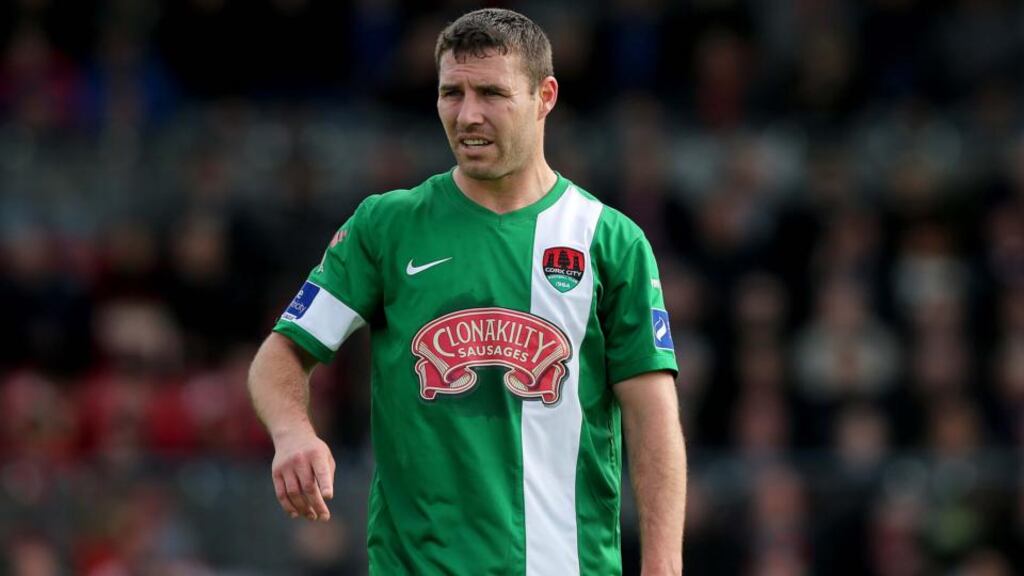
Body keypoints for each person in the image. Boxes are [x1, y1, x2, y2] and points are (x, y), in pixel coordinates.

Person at [248, 8, 687, 575]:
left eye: (491, 93)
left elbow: (653, 420)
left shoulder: (609, 239)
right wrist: (292, 433)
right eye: (451, 93)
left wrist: (663, 565)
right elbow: (280, 353)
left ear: (544, 96)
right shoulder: (387, 225)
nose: (468, 115)